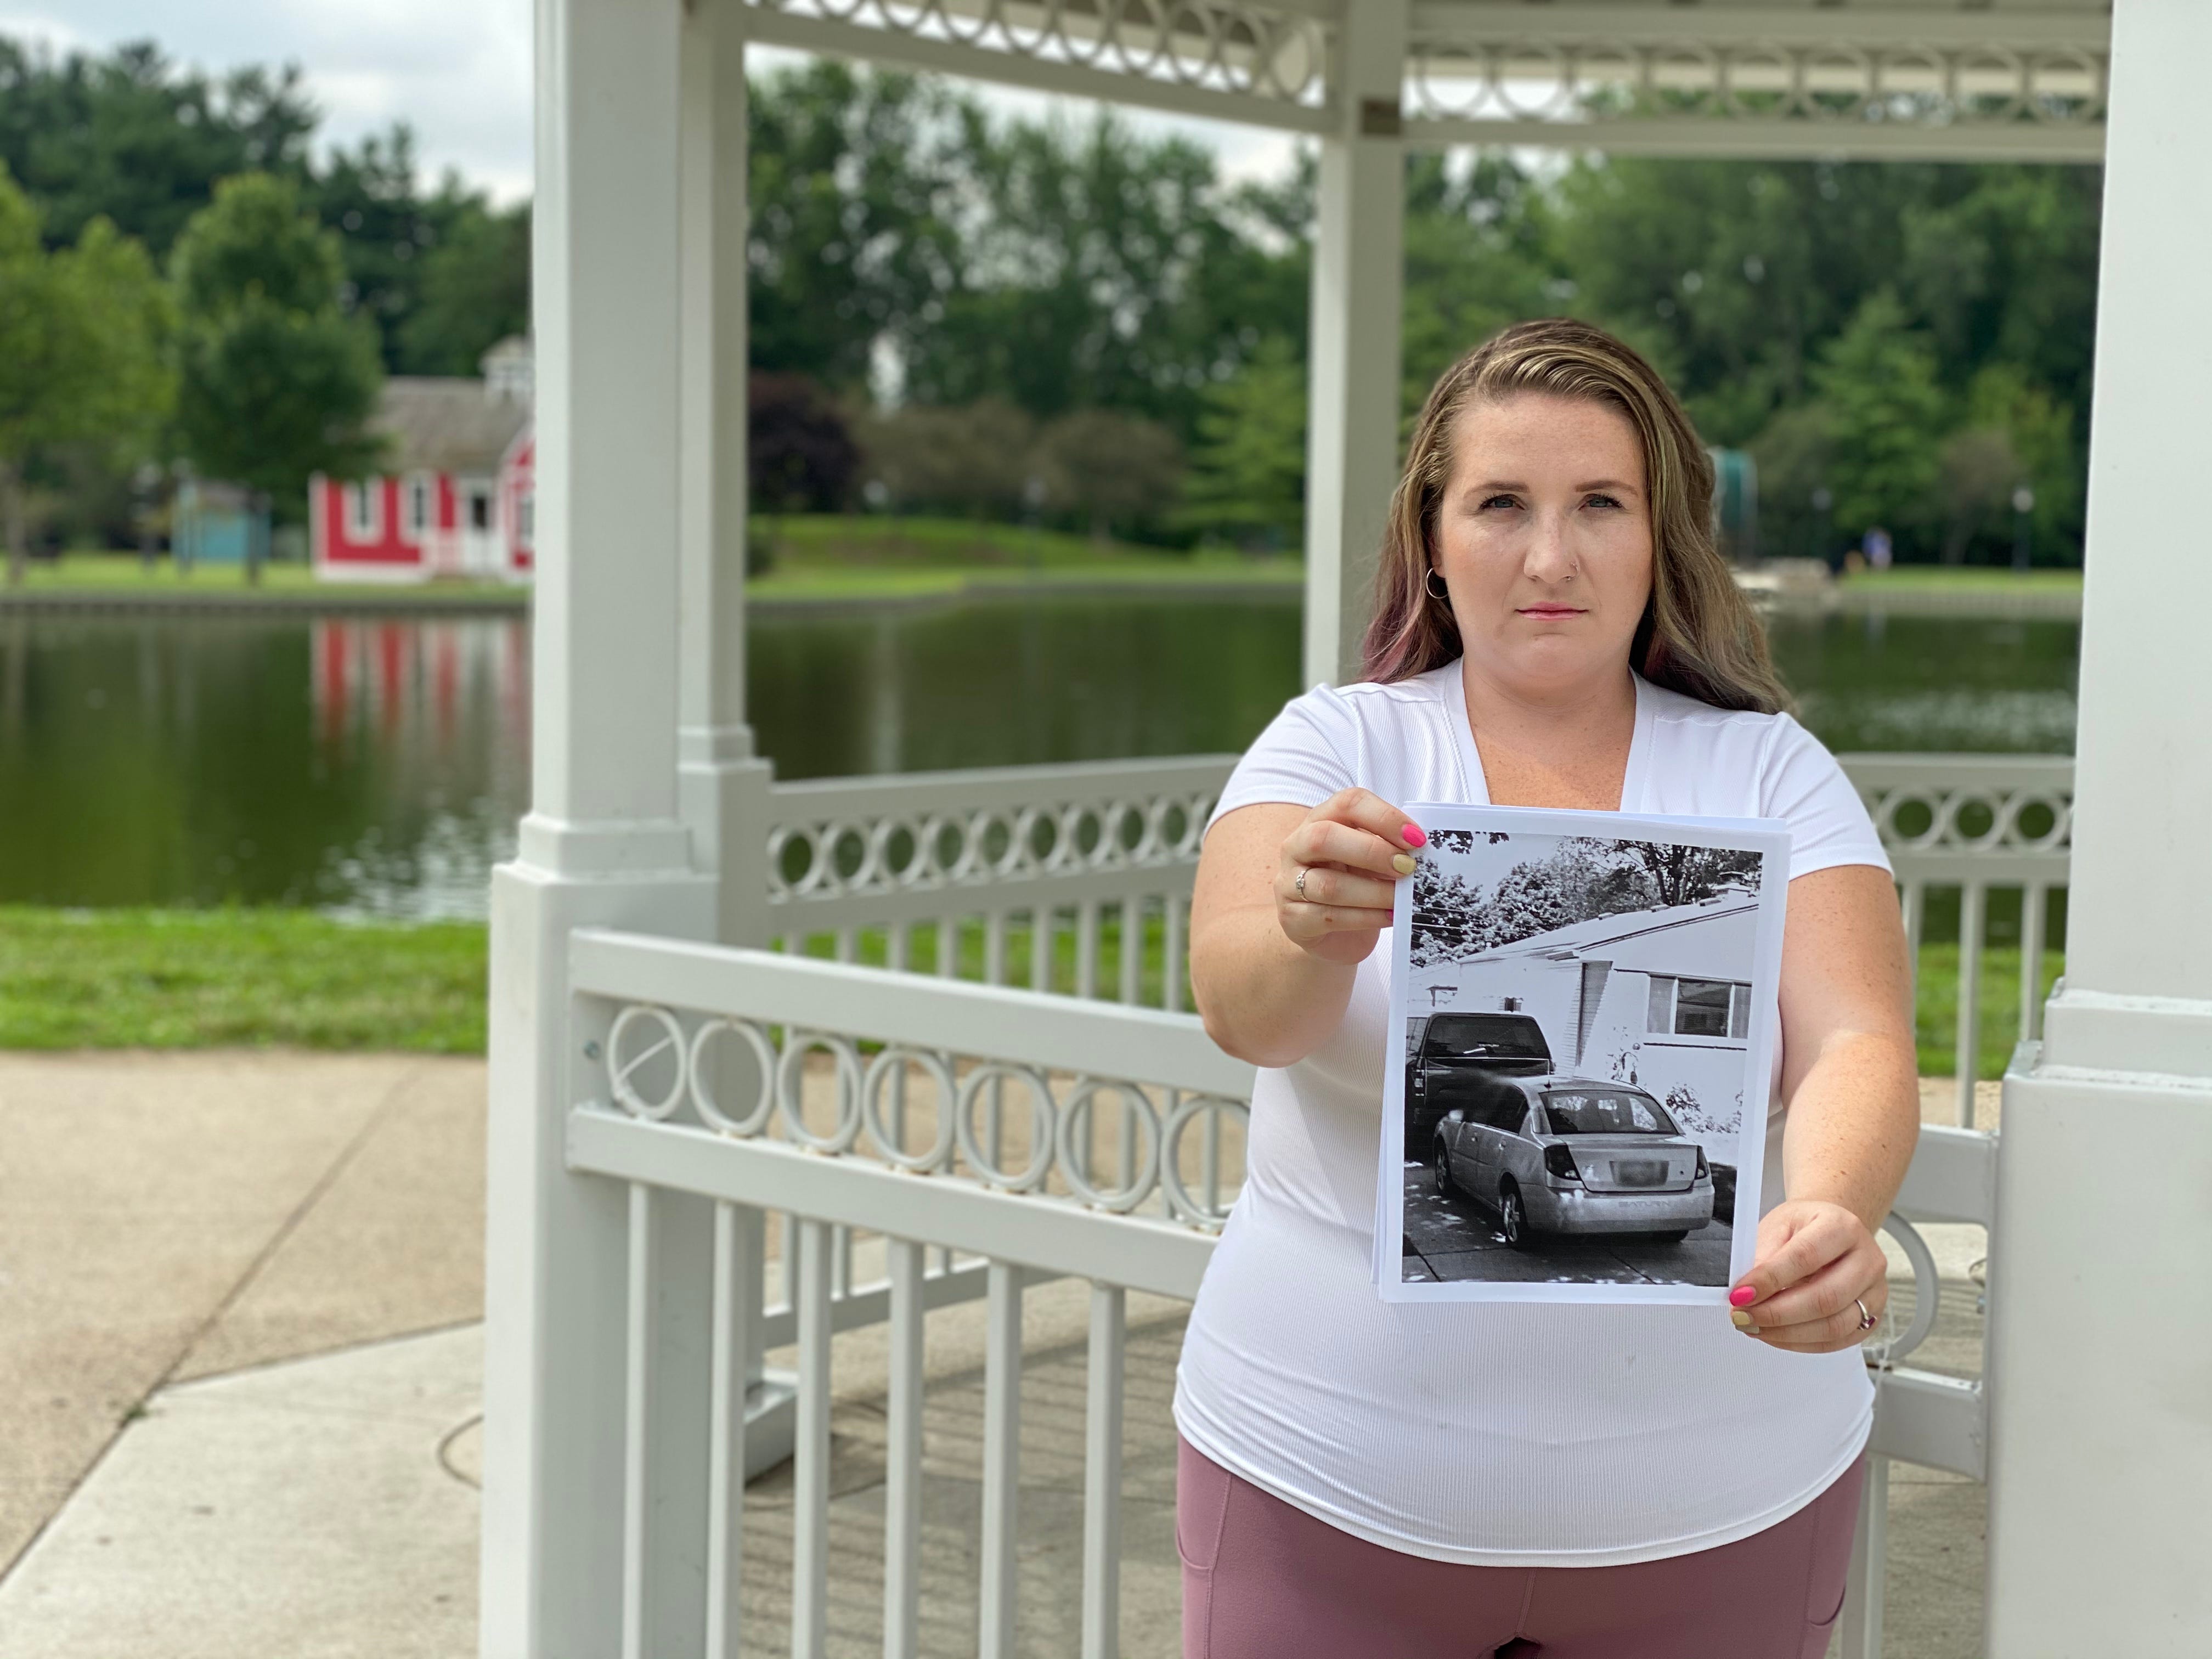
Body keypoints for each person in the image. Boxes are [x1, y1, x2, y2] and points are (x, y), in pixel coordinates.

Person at [1178, 319, 1920, 1658]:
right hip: (1323, 1477)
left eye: (1600, 506)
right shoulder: (1337, 743)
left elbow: (1855, 1037)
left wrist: (1828, 1213)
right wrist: (1308, 927)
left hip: (1724, 1504)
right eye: (1502, 504)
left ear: (1661, 537)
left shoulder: (1770, 771)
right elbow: (1248, 1012)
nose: (1550, 557)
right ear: (1435, 536)